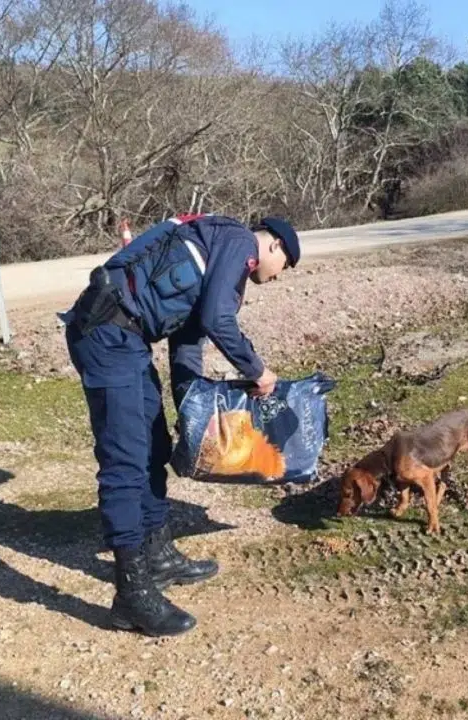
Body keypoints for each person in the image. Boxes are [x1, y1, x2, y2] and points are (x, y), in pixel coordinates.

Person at [60, 212, 301, 637]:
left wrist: (190, 410)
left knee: (153, 446)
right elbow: (216, 321)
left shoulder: (216, 251)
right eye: (286, 267)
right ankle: (130, 595)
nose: (280, 277)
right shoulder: (238, 242)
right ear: (275, 246)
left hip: (127, 339)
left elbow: (188, 340)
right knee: (126, 461)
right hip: (105, 334)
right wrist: (259, 371)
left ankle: (157, 554)